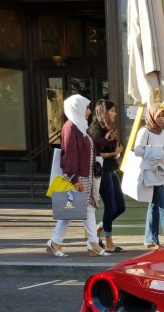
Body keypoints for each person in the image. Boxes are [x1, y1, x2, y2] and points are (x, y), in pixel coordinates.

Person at [47, 94, 106, 257]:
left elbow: (87, 151)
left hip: (86, 175)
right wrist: (74, 177)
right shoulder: (70, 127)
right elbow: (70, 154)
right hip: (78, 176)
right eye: (86, 108)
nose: (88, 111)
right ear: (77, 108)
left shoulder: (80, 126)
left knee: (79, 209)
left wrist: (103, 141)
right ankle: (89, 243)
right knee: (77, 209)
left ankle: (58, 242)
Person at [134, 106, 164, 249]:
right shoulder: (144, 131)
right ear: (152, 116)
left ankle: (150, 240)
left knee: (154, 205)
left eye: (163, 116)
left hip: (161, 172)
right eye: (159, 115)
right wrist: (158, 150)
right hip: (149, 172)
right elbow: (137, 150)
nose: (161, 119)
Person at [90, 99, 125, 252]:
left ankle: (99, 229)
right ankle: (109, 241)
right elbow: (96, 154)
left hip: (111, 169)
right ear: (104, 112)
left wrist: (117, 155)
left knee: (120, 206)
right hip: (102, 171)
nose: (115, 113)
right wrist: (114, 153)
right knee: (110, 205)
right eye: (112, 111)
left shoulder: (108, 128)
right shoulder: (97, 129)